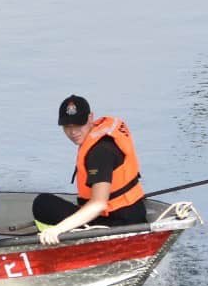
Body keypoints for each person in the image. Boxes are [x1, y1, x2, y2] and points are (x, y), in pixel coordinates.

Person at [34, 95, 146, 246]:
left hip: (117, 225)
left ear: (90, 117)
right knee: (46, 203)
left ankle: (52, 241)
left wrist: (58, 229)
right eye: (67, 126)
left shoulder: (99, 152)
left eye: (78, 125)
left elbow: (98, 204)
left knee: (42, 204)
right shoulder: (99, 136)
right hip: (134, 212)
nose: (73, 132)